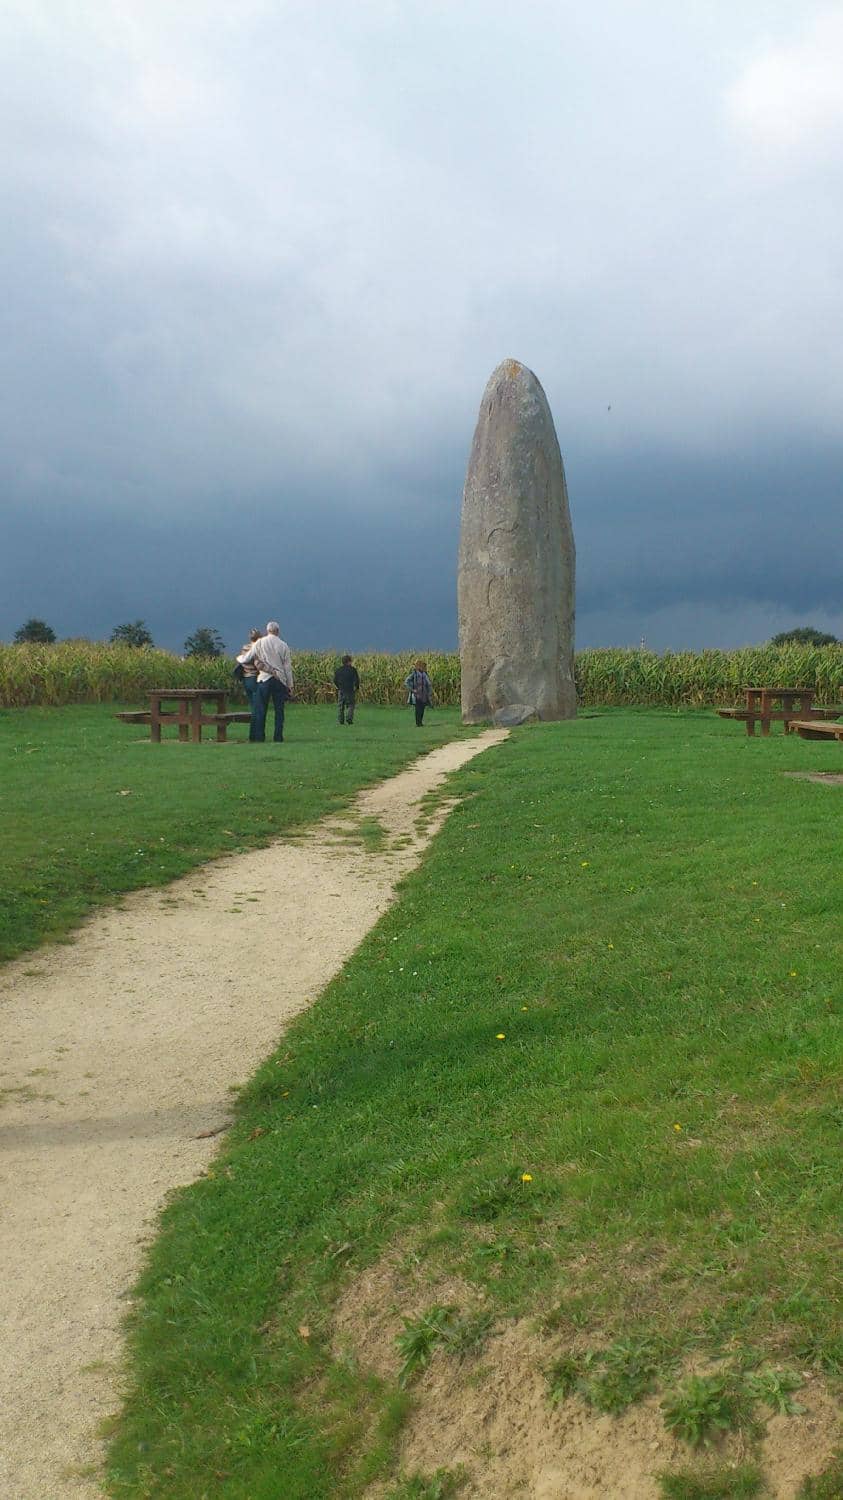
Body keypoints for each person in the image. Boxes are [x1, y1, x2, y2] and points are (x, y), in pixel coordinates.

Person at [237, 622, 294, 743]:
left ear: (267, 630)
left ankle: (259, 736)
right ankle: (278, 737)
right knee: (279, 710)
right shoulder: (283, 645)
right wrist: (290, 685)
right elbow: (287, 668)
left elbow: (248, 657)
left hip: (264, 678)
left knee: (261, 708)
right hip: (279, 680)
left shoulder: (260, 642)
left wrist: (239, 658)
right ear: (278, 631)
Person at [236, 628, 261, 711]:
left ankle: (253, 722)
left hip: (245, 677)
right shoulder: (258, 649)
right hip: (255, 677)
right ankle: (256, 722)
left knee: (251, 702)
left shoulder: (245, 648)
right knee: (257, 704)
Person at [333, 654, 360, 725]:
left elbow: (335, 680)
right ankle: (349, 719)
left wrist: (339, 687)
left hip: (341, 690)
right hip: (350, 690)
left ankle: (341, 721)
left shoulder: (338, 670)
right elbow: (357, 680)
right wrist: (356, 688)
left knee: (340, 706)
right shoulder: (353, 670)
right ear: (349, 662)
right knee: (351, 705)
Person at [404, 659, 433, 726]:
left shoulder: (425, 674)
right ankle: (418, 723)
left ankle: (420, 722)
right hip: (417, 695)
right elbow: (406, 682)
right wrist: (412, 689)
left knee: (422, 708)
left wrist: (429, 692)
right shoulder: (414, 674)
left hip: (424, 695)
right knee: (418, 709)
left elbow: (428, 684)